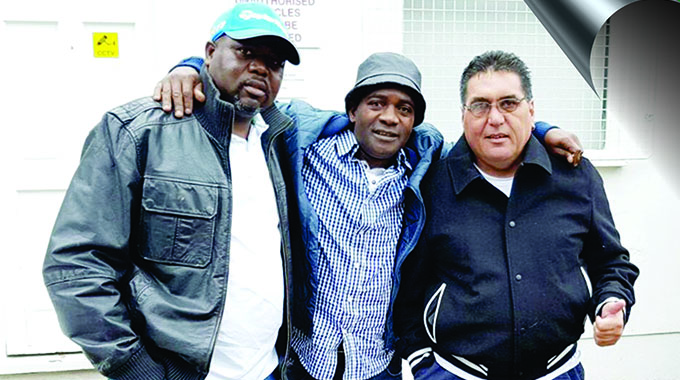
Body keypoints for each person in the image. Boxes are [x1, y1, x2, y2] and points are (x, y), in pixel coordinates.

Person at [153, 51, 583, 379]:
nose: (390, 118)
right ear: (353, 109)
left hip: (378, 363)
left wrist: (542, 129)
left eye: (405, 109)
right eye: (377, 103)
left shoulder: (425, 160)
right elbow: (247, 90)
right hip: (305, 358)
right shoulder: (304, 142)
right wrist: (191, 67)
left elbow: (490, 126)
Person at [42, 3, 301, 380]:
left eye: (274, 62)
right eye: (245, 52)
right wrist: (134, 367)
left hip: (267, 369)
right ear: (210, 53)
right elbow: (76, 265)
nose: (261, 68)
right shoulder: (137, 131)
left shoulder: (281, 140)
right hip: (178, 372)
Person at [393, 50, 639, 380]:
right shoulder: (433, 185)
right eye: (480, 105)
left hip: (558, 371)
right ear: (463, 115)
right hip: (454, 373)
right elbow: (406, 282)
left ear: (531, 110)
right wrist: (422, 360)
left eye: (509, 103)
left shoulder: (575, 176)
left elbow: (611, 262)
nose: (495, 118)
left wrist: (611, 299)